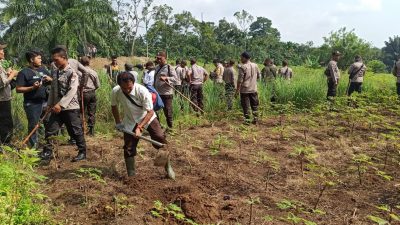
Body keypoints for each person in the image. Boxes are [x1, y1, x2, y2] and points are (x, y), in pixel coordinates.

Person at [111, 71, 175, 179]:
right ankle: (132, 176)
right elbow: (114, 106)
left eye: (129, 88)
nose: (127, 90)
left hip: (147, 118)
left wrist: (140, 127)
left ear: (133, 83)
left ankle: (168, 166)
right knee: (129, 147)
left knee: (160, 139)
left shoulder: (142, 91)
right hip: (130, 120)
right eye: (124, 88)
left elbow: (150, 112)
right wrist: (118, 122)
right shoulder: (116, 91)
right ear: (119, 85)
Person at [40, 47, 87, 162]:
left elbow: (72, 90)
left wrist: (61, 105)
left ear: (64, 58)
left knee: (75, 130)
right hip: (56, 108)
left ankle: (82, 151)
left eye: (56, 60)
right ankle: (48, 152)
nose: (54, 62)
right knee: (51, 129)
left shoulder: (72, 72)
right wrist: (50, 104)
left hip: (70, 107)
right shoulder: (55, 71)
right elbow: (53, 90)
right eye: (53, 60)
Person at [16, 50, 52, 148]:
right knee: (34, 126)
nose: (41, 60)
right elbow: (18, 89)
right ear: (32, 59)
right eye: (39, 58)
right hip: (32, 104)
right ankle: (34, 148)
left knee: (49, 124)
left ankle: (49, 146)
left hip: (45, 102)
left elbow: (52, 80)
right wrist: (32, 88)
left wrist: (50, 80)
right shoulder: (23, 72)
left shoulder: (43, 70)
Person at [154, 51, 178, 130]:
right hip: (157, 93)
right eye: (157, 58)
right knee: (153, 110)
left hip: (166, 93)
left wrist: (166, 78)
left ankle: (170, 127)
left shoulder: (169, 67)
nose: (158, 60)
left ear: (165, 58)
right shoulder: (157, 67)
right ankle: (158, 127)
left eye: (160, 58)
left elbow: (176, 80)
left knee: (167, 111)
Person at [0, 44, 18, 147]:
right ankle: (5, 144)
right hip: (2, 100)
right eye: (1, 50)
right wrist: (12, 75)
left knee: (5, 122)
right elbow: (2, 84)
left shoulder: (2, 64)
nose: (3, 52)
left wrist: (8, 73)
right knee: (5, 122)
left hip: (4, 98)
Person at [235, 52, 260, 125]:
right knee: (254, 105)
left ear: (245, 58)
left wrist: (237, 91)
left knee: (246, 106)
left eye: (241, 57)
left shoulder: (243, 67)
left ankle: (247, 121)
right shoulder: (255, 65)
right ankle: (256, 120)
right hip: (254, 88)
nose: (241, 59)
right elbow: (258, 76)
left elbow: (239, 81)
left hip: (245, 90)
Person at [79, 56, 100, 136]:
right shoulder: (93, 72)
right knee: (92, 112)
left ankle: (81, 129)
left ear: (80, 63)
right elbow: (97, 85)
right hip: (92, 93)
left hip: (83, 93)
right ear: (89, 62)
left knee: (81, 112)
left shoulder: (79, 72)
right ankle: (91, 130)